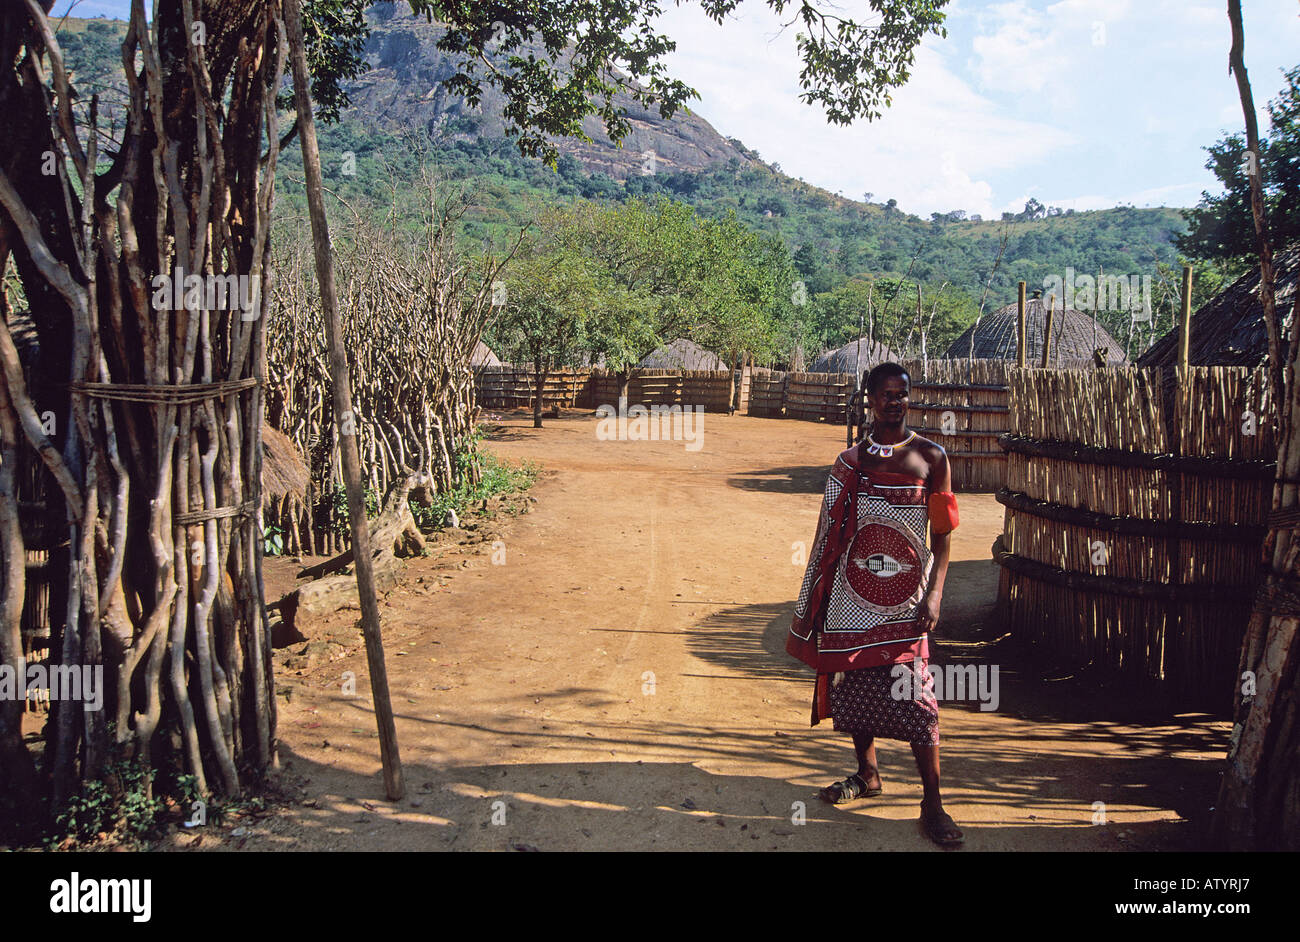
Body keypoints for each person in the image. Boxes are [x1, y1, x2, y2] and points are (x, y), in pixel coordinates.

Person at [787, 361, 963, 846]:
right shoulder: (850, 462)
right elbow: (829, 536)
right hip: (853, 598)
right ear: (869, 398)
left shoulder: (931, 458)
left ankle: (933, 803)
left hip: (908, 602)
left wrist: (936, 592)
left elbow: (943, 537)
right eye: (885, 394)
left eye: (902, 393)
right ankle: (867, 774)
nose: (895, 401)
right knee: (855, 690)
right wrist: (823, 597)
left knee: (920, 700)